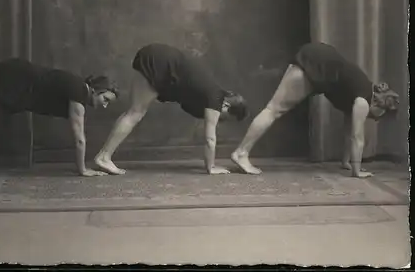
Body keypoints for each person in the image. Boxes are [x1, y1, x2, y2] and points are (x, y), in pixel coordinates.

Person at [231, 42, 400, 178]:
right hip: (317, 63)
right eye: (381, 116)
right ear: (380, 104)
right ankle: (241, 153)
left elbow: (350, 130)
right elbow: (357, 137)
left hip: (317, 57)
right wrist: (357, 171)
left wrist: (346, 162)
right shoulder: (363, 100)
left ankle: (241, 152)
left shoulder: (359, 95)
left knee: (273, 109)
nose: (377, 120)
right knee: (273, 110)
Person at [0, 58, 119, 179]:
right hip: (15, 78)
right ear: (95, 90)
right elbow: (79, 138)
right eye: (105, 99)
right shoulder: (79, 92)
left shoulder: (79, 90)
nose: (105, 105)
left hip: (16, 77)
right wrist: (83, 170)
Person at [94, 43, 248, 176]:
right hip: (159, 61)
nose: (219, 120)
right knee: (135, 112)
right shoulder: (216, 98)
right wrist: (211, 167)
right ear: (226, 106)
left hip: (155, 55)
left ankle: (104, 156)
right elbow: (210, 139)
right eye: (224, 118)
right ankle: (103, 157)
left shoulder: (209, 92)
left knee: (134, 111)